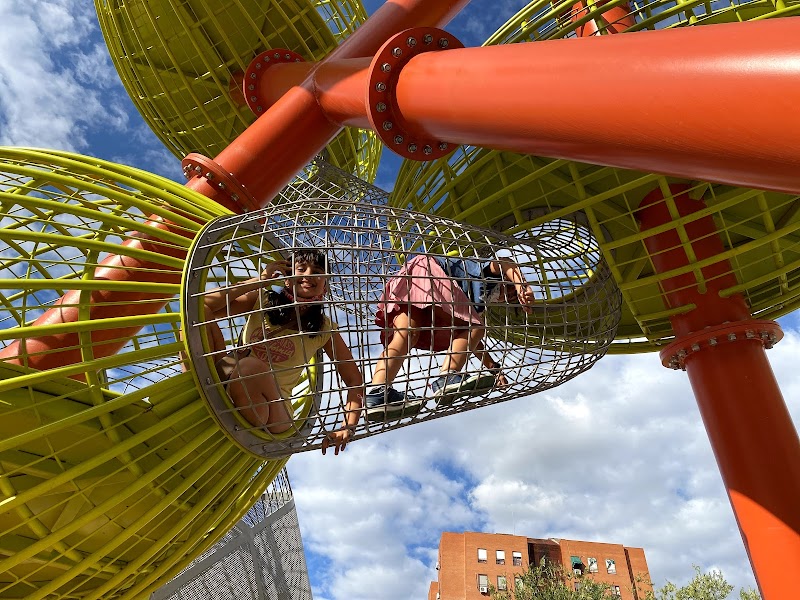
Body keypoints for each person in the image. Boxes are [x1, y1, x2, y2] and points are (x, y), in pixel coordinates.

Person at [203, 249, 363, 455]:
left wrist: (348, 427)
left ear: (325, 284)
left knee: (250, 367)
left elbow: (354, 380)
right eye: (301, 269)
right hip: (227, 384)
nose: (308, 275)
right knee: (198, 320)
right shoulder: (262, 301)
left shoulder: (325, 329)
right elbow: (203, 305)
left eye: (317, 271)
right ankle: (197, 387)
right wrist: (260, 280)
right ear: (287, 279)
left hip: (272, 414)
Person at [365, 253, 535, 421]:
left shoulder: (478, 303)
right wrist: (522, 285)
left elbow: (472, 342)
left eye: (511, 298)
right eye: (511, 289)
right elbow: (503, 261)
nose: (509, 295)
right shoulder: (489, 278)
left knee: (407, 333)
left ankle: (378, 392)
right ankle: (447, 377)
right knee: (474, 326)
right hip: (429, 272)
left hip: (413, 277)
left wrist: (494, 369)